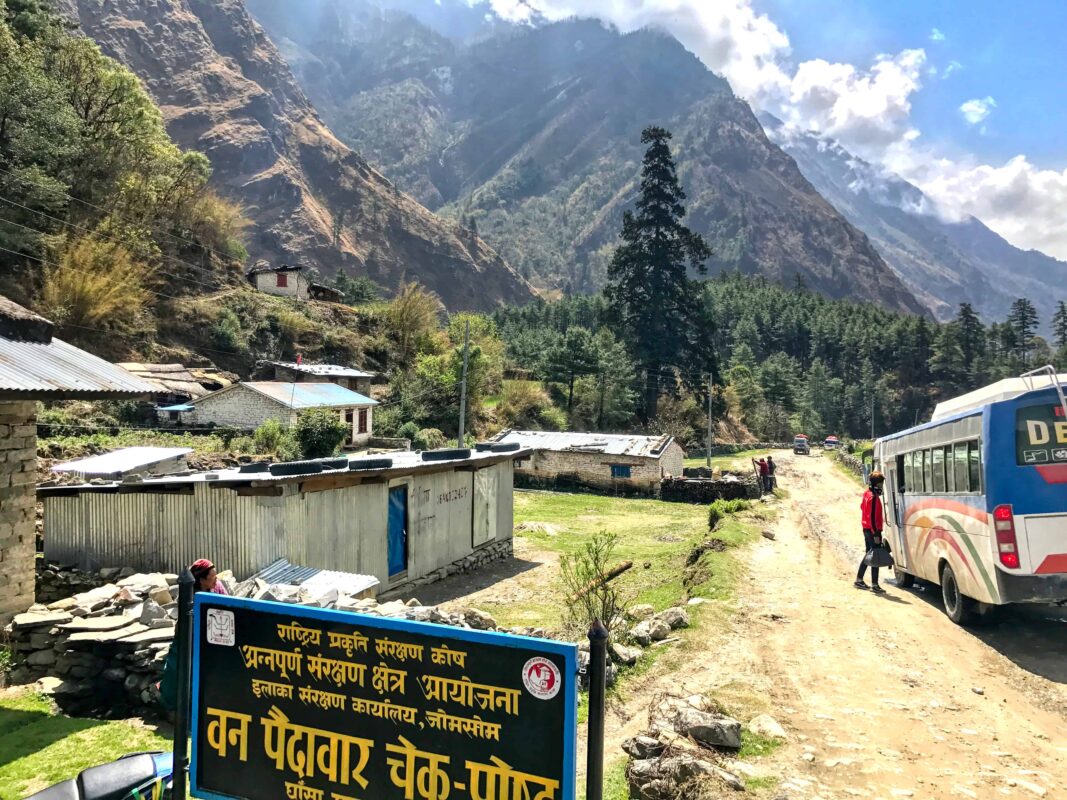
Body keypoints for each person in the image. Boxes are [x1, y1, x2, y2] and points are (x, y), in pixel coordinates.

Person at [159, 558, 228, 715]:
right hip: (189, 637)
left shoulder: (217, 588)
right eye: (213, 577)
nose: (216, 579)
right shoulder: (189, 595)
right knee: (180, 670)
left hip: (213, 637)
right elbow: (190, 622)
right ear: (202, 580)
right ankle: (173, 708)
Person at [855, 472, 887, 593]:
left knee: (869, 554)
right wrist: (876, 534)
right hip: (873, 530)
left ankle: (859, 579)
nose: (881, 486)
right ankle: (874, 584)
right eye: (880, 483)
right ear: (876, 483)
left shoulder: (866, 494)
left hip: (866, 528)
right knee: (875, 556)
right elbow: (873, 517)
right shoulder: (873, 497)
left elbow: (862, 508)